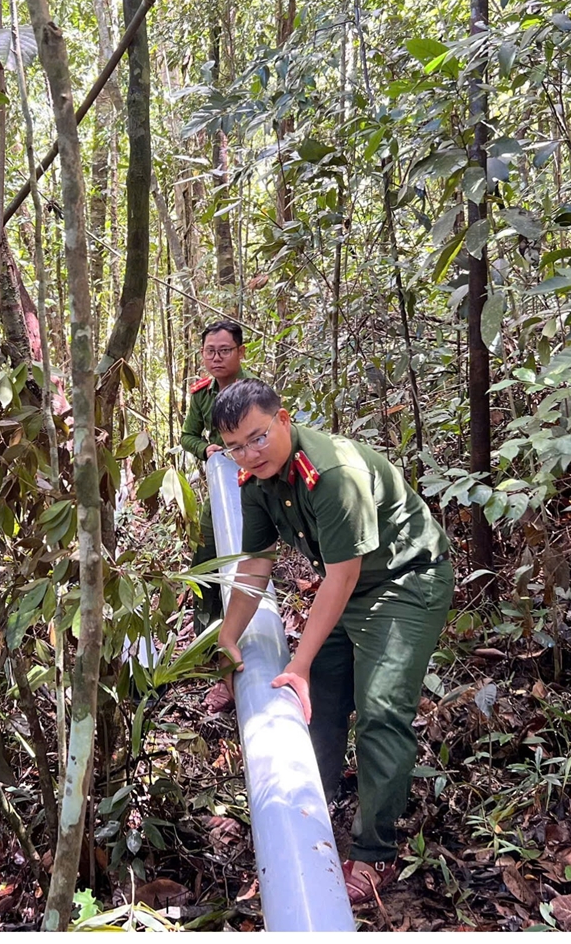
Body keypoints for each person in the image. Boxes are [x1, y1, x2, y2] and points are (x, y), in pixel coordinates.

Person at [210, 378, 453, 906]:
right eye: (236, 447)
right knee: (319, 698)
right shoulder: (255, 481)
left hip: (406, 580)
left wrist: (296, 661)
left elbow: (340, 578)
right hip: (354, 583)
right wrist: (228, 638)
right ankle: (312, 809)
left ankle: (375, 853)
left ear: (284, 420)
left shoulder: (332, 475)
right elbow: (255, 565)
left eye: (258, 437)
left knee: (381, 709)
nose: (250, 453)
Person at [179, 321, 253, 633]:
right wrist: (206, 449)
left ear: (240, 352)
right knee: (206, 558)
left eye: (224, 351)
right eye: (211, 352)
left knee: (246, 559)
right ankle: (207, 634)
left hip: (255, 484)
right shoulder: (201, 394)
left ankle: (245, 630)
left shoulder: (254, 392)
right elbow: (187, 436)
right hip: (221, 487)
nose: (217, 358)